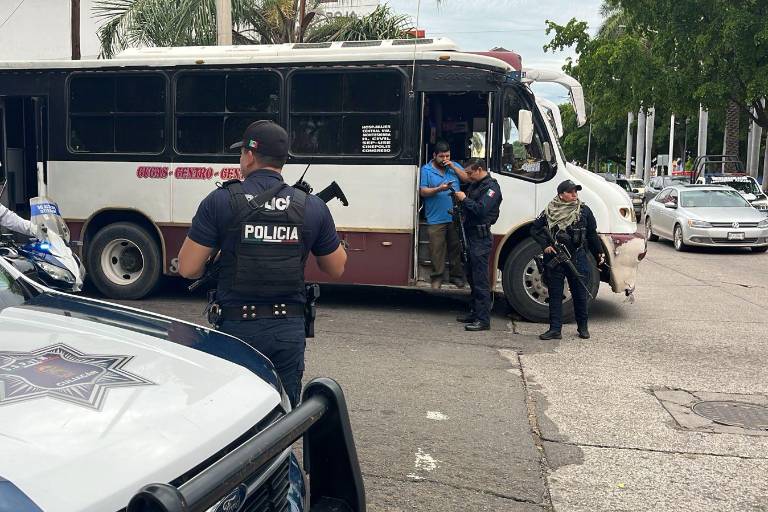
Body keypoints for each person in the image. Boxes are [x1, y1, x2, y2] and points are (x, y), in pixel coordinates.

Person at [177, 120, 347, 406]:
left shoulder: (220, 201)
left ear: (250, 155)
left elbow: (187, 268)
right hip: (287, 330)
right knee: (283, 413)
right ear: (283, 160)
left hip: (236, 328)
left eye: (241, 153)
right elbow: (336, 267)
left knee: (235, 412)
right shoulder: (311, 206)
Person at [531, 180, 603, 340]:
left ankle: (583, 327)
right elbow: (535, 229)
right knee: (555, 294)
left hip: (577, 257)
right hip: (555, 257)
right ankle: (555, 329)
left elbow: (592, 233)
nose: (574, 195)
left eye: (576, 192)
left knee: (580, 293)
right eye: (570, 192)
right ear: (561, 195)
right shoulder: (550, 210)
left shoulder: (584, 211)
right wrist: (545, 245)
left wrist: (599, 252)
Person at [452, 159, 502, 332]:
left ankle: (483, 319)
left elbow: (481, 210)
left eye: (470, 173)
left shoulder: (491, 188)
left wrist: (464, 199)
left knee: (480, 280)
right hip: (469, 235)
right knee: (472, 277)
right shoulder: (475, 185)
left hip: (480, 238)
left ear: (479, 169)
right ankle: (475, 312)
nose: (468, 176)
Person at [419, 140, 469, 289]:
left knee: (456, 249)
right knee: (436, 250)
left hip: (455, 216)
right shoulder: (426, 170)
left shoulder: (454, 166)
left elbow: (467, 178)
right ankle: (437, 277)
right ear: (434, 155)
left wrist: (453, 166)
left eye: (447, 156)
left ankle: (456, 276)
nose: (445, 159)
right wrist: (439, 189)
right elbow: (423, 191)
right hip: (435, 218)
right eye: (441, 156)